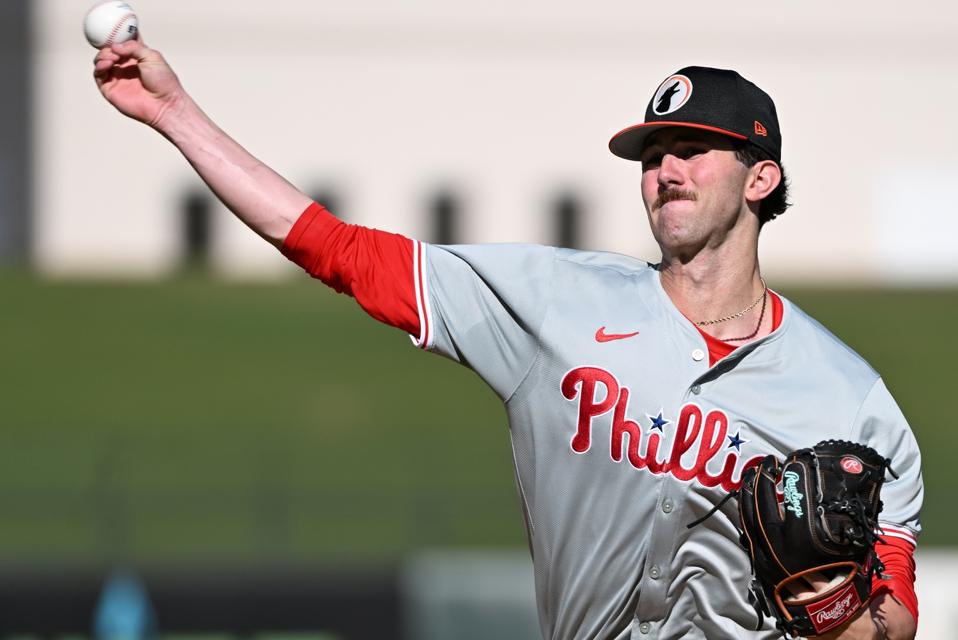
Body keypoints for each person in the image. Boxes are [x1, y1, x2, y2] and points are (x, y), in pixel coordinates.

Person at [93, 37, 922, 640]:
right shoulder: (554, 304)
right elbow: (334, 248)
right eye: (654, 153)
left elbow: (895, 625)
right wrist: (176, 114)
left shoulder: (849, 400)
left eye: (696, 150)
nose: (667, 169)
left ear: (761, 178)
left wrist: (831, 599)